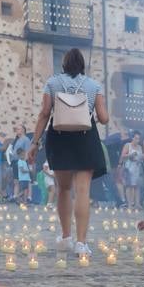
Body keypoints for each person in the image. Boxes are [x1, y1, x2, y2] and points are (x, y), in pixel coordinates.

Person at [27, 47, 109, 257]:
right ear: (83, 65)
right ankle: (81, 243)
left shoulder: (52, 82)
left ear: (63, 64)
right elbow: (104, 117)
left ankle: (66, 237)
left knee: (63, 189)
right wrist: (96, 116)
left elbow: (45, 113)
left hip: (60, 138)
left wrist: (34, 143)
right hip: (85, 138)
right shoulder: (94, 85)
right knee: (83, 191)